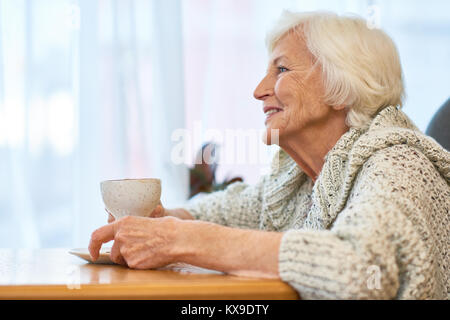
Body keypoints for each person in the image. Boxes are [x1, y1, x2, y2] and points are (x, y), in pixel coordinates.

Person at [89, 11, 449, 299]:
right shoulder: (301, 179)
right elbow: (232, 211)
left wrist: (182, 239)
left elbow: (362, 269)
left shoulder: (400, 163)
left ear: (343, 85)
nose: (259, 90)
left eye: (281, 69)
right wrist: (162, 220)